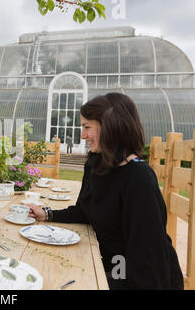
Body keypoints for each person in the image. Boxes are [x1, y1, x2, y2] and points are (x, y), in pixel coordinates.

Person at [26, 93, 184, 290]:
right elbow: (86, 210)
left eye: (87, 127)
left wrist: (94, 282)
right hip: (112, 269)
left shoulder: (138, 179)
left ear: (111, 126)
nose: (82, 136)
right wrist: (47, 214)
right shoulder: (96, 164)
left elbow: (149, 274)